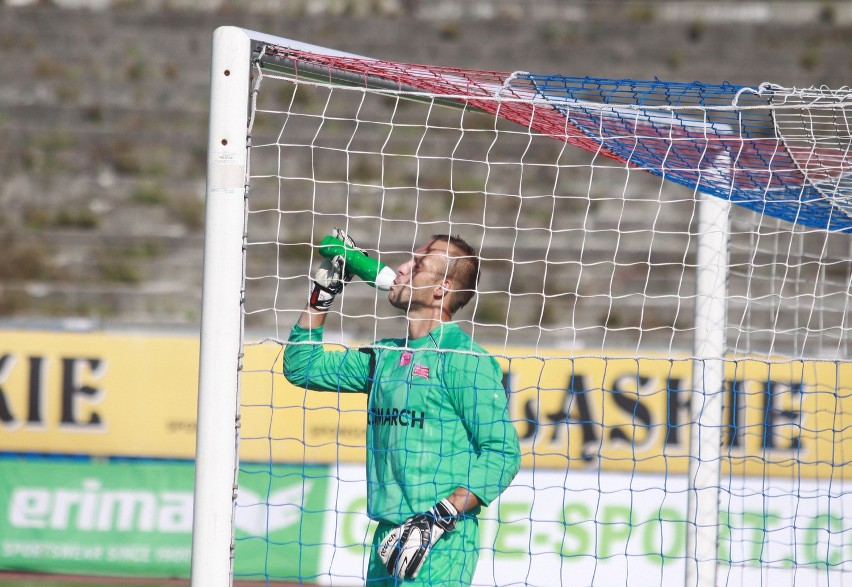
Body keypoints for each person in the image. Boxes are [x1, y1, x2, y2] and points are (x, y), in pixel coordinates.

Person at [284, 230, 521, 585]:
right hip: (388, 541)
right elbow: (301, 366)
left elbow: (504, 453)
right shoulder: (385, 356)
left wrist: (440, 516)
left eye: (418, 264)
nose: (402, 268)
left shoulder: (463, 359)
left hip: (439, 541)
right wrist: (322, 293)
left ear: (441, 289)